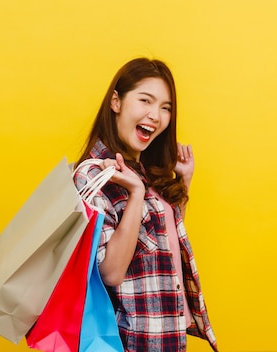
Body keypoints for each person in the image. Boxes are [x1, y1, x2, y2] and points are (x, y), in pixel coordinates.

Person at [73, 58, 217, 352]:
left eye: (165, 107)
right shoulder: (94, 175)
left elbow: (162, 242)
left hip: (166, 334)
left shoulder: (144, 172)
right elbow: (112, 272)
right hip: (131, 342)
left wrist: (182, 180)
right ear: (116, 102)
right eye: (145, 101)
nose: (156, 115)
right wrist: (136, 194)